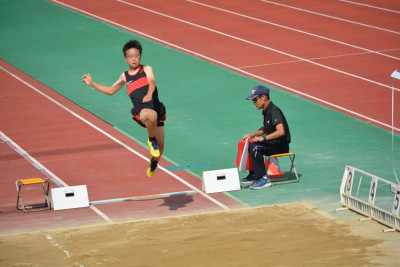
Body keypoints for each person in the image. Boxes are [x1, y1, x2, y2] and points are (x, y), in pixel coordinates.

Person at [82, 40, 166, 177]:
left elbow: (152, 81)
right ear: (125, 58)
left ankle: (153, 163)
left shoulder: (146, 69)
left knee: (160, 148)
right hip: (141, 111)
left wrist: (150, 93)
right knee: (150, 116)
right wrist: (92, 84)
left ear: (140, 56)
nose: (134, 59)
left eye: (136, 56)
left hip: (157, 108)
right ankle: (151, 140)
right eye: (130, 56)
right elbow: (110, 90)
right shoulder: (125, 76)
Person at [237, 85, 291, 189]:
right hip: (272, 143)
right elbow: (266, 128)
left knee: (256, 147)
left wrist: (263, 138)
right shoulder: (266, 111)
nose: (254, 103)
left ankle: (264, 179)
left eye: (255, 99)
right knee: (250, 143)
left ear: (264, 98)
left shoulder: (274, 111)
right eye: (252, 100)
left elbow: (281, 131)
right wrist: (251, 136)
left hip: (280, 145)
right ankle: (254, 174)